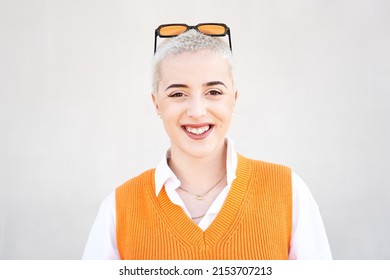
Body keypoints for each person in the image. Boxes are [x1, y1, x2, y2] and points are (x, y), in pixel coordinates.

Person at [82, 23, 332, 260]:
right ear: (156, 103)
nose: (197, 111)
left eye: (213, 92)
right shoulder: (118, 209)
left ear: (233, 98)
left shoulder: (288, 193)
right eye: (178, 94)